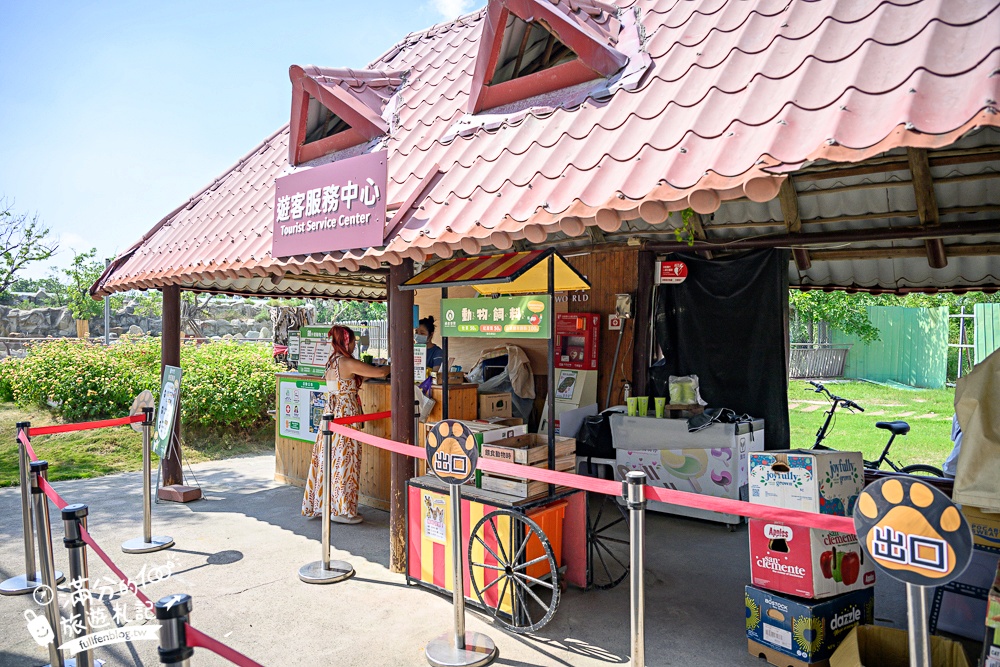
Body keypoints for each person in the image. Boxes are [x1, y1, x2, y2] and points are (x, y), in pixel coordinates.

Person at [301, 325, 389, 523]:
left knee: (329, 459)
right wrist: (395, 364)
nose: (356, 344)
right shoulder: (347, 362)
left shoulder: (332, 361)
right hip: (346, 413)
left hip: (331, 412)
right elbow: (381, 372)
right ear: (347, 341)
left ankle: (325, 504)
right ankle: (343, 510)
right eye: (354, 341)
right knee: (346, 460)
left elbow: (352, 379)